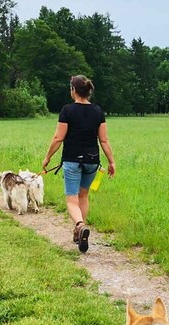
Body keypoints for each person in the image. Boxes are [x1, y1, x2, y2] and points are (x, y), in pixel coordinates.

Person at [41, 75, 115, 253]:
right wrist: (111, 161)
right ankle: (79, 231)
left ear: (74, 90)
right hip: (92, 161)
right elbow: (104, 141)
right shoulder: (98, 111)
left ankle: (80, 225)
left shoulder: (67, 110)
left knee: (72, 199)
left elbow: (59, 137)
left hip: (72, 160)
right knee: (84, 196)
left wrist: (47, 157)